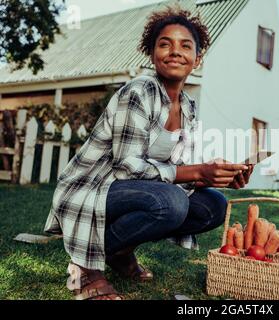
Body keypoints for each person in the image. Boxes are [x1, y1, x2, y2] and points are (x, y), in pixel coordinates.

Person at [44, 6, 254, 300]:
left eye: (185, 45)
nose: (174, 51)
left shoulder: (189, 106)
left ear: (197, 59)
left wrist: (214, 177)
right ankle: (86, 268)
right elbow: (128, 167)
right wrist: (197, 172)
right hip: (92, 189)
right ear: (152, 53)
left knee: (213, 207)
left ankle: (119, 252)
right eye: (164, 43)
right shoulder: (139, 91)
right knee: (172, 202)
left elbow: (176, 168)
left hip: (133, 190)